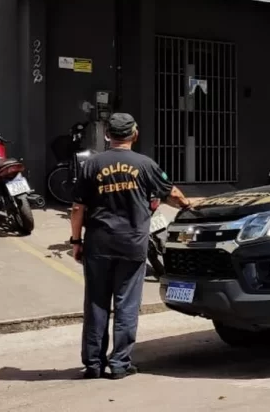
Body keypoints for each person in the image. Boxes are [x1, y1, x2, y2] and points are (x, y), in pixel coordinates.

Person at [69, 112, 194, 380]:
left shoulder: (91, 165)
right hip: (132, 244)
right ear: (134, 134)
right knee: (126, 304)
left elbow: (78, 208)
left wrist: (76, 241)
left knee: (96, 303)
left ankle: (92, 364)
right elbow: (171, 194)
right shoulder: (145, 164)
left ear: (107, 136)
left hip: (98, 244)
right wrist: (188, 206)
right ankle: (119, 364)